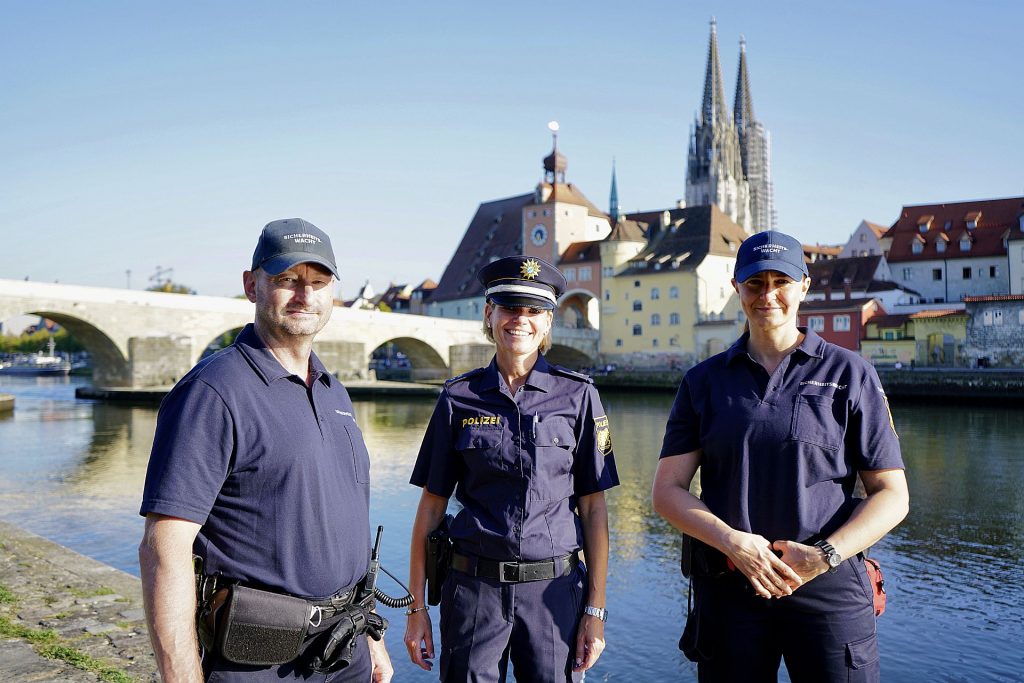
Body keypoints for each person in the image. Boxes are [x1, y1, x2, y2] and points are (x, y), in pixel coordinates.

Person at [139, 218, 393, 682]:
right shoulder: (214, 392)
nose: (305, 295)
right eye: (286, 280)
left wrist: (372, 636)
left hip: (344, 650)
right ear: (250, 284)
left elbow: (347, 525)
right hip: (259, 659)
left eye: (318, 282)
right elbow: (164, 546)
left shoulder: (336, 392)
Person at [651, 230, 909, 682]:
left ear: (804, 286)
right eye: (754, 283)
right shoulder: (703, 382)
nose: (767, 294)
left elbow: (892, 495)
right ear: (736, 289)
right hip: (730, 587)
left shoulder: (851, 374)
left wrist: (823, 555)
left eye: (780, 281)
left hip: (828, 586)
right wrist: (733, 541)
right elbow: (668, 491)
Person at [403, 255, 619, 682]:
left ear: (548, 321)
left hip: (553, 596)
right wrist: (416, 610)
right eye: (509, 307)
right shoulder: (457, 398)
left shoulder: (578, 397)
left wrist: (594, 611)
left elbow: (594, 511)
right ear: (489, 314)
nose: (521, 319)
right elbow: (430, 509)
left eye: (534, 310)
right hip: (473, 593)